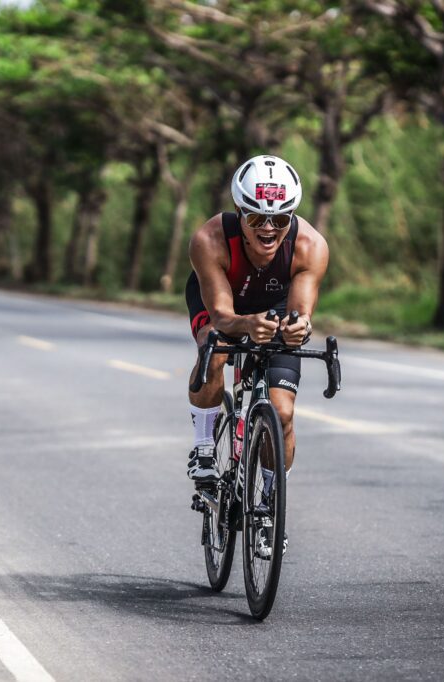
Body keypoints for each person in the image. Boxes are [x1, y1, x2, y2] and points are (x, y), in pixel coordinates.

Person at [185, 155, 329, 553]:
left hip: (275, 303)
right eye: (257, 220)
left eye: (280, 220)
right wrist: (246, 325)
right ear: (240, 213)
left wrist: (298, 327)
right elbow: (221, 314)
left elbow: (300, 313)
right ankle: (202, 448)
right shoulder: (209, 239)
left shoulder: (310, 246)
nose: (269, 229)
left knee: (282, 412)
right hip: (224, 299)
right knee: (215, 347)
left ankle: (269, 501)